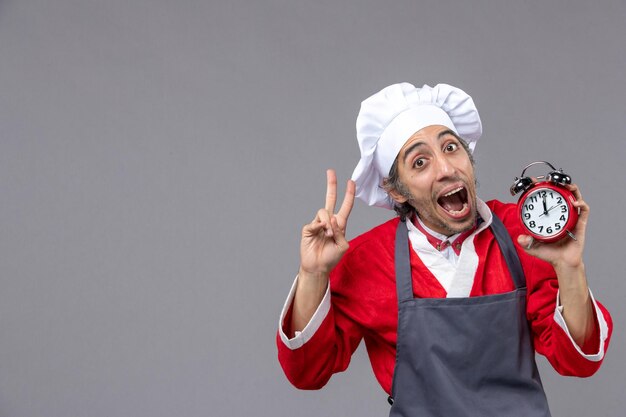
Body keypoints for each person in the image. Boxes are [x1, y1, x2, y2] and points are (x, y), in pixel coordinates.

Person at [276, 83, 612, 417]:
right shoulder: (367, 258)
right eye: (420, 162)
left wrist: (570, 268)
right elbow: (308, 372)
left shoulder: (523, 235)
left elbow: (578, 362)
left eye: (451, 147)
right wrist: (314, 274)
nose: (447, 169)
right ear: (397, 190)